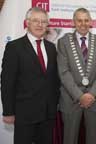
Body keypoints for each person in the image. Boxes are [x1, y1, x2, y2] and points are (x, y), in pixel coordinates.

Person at [1, 7, 59, 144]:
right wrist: (8, 111)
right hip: (24, 113)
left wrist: (55, 103)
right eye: (35, 21)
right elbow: (7, 82)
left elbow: (54, 79)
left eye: (43, 22)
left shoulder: (51, 48)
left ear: (47, 25)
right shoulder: (14, 47)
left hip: (47, 113)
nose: (40, 25)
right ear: (27, 23)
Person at [57, 8, 96, 144]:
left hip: (94, 99)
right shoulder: (63, 42)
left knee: (93, 138)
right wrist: (79, 95)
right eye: (79, 20)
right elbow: (63, 72)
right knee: (69, 139)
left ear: (91, 22)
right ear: (73, 22)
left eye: (86, 20)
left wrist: (92, 94)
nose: (83, 23)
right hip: (70, 98)